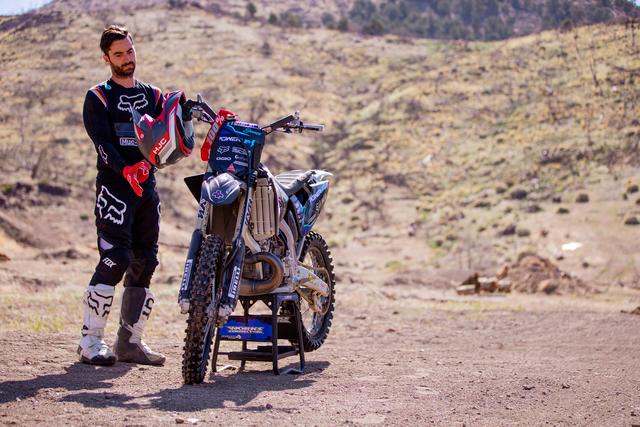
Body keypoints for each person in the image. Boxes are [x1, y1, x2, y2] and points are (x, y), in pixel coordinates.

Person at [79, 25, 166, 366]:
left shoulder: (154, 95)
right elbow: (102, 144)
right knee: (115, 259)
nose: (127, 58)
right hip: (114, 189)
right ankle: (89, 341)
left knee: (146, 262)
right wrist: (126, 169)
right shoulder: (98, 97)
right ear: (107, 59)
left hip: (147, 190)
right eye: (118, 54)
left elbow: (170, 133)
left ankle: (130, 343)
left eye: (130, 51)